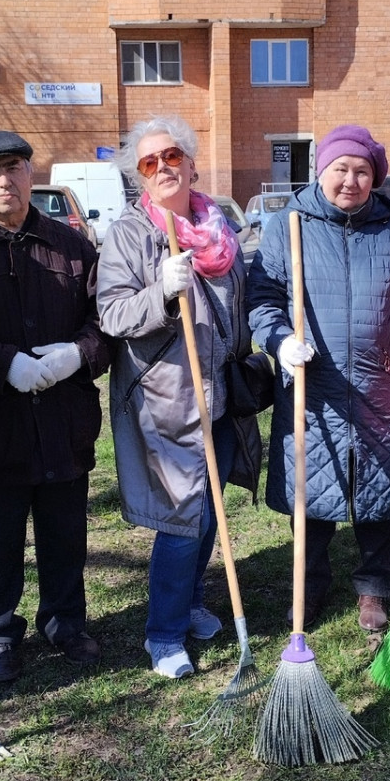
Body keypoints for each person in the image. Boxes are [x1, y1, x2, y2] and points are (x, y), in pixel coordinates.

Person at [0, 130, 111, 683]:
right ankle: (0, 633)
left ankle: (65, 621)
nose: (3, 180)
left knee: (65, 533)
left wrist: (79, 355)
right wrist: (2, 362)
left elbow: (104, 323)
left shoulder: (73, 246)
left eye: (13, 167)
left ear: (32, 173)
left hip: (63, 420)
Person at [96, 115, 260, 679]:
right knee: (179, 518)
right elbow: (113, 315)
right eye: (149, 162)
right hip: (167, 400)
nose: (163, 167)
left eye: (172, 156)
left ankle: (190, 603)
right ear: (140, 177)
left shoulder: (220, 229)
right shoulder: (129, 234)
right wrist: (161, 293)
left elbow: (237, 307)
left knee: (209, 510)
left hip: (218, 397)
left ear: (191, 163)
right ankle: (162, 635)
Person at [247, 124, 390, 633]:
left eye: (362, 171)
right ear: (321, 171)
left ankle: (374, 588)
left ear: (375, 178)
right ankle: (311, 584)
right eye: (340, 169)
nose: (350, 180)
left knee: (380, 491)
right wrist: (280, 340)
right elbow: (262, 298)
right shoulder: (289, 225)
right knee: (313, 491)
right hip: (313, 384)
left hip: (380, 384)